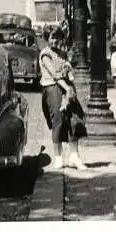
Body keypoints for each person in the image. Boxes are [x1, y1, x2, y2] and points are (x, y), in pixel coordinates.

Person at [39, 27, 87, 170]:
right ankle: (58, 157)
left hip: (68, 88)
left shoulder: (62, 53)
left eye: (57, 37)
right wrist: (67, 88)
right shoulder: (45, 54)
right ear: (47, 38)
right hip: (53, 88)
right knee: (58, 121)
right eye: (52, 37)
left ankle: (74, 156)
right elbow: (55, 74)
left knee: (74, 119)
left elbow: (68, 69)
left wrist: (69, 75)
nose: (54, 40)